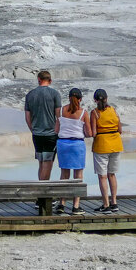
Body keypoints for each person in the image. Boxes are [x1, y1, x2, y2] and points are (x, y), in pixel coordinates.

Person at [89, 88, 123, 214]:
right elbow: (120, 129)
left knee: (102, 176)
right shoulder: (113, 110)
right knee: (112, 174)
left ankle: (106, 204)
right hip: (116, 144)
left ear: (95, 100)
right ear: (107, 98)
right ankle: (114, 202)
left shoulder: (95, 113)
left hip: (102, 145)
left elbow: (94, 132)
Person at [55, 87, 88, 215]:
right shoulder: (83, 112)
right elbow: (89, 132)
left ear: (68, 97)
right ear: (80, 99)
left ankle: (62, 203)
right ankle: (76, 205)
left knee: (64, 175)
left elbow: (56, 129)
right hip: (77, 144)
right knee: (78, 175)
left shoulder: (61, 111)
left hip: (63, 144)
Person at [24, 70, 61, 181]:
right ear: (50, 81)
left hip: (36, 133)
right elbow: (59, 116)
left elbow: (27, 117)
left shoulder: (30, 94)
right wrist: (57, 131)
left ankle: (40, 191)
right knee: (48, 164)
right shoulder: (55, 94)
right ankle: (43, 194)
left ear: (39, 80)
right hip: (50, 133)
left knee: (41, 163)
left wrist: (33, 129)